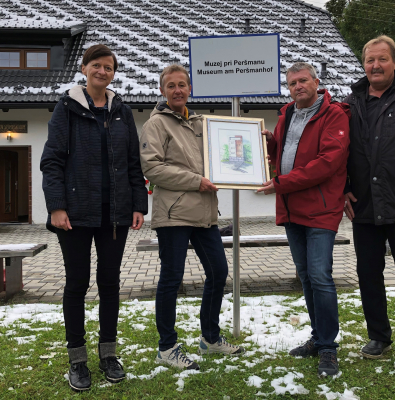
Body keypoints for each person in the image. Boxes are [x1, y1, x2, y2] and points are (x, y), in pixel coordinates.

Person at [40, 44, 148, 391]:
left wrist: (138, 204)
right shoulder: (66, 108)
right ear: (84, 69)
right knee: (76, 285)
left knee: (110, 284)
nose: (103, 71)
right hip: (74, 216)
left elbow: (134, 162)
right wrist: (56, 206)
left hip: (113, 217)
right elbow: (52, 161)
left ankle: (108, 355)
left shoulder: (122, 111)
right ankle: (77, 360)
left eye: (109, 67)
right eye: (97, 65)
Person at [140, 64, 245, 370]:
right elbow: (152, 168)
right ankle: (167, 347)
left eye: (182, 85)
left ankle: (210, 338)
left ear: (190, 89)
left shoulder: (200, 123)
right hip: (173, 214)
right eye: (171, 85)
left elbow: (222, 154)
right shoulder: (156, 125)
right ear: (162, 91)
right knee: (171, 279)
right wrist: (195, 181)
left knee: (218, 272)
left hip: (204, 212)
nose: (177, 90)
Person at [258, 62, 350, 376]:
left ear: (316, 81)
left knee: (321, 276)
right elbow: (284, 153)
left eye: (303, 80)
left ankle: (328, 349)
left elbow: (327, 163)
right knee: (307, 276)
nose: (298, 86)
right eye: (293, 82)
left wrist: (280, 184)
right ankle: (318, 338)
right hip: (292, 208)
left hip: (321, 210)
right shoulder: (287, 115)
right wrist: (268, 142)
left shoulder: (335, 115)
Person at [344, 35, 395, 359]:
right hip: (363, 203)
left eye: (382, 59)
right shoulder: (352, 102)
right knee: (368, 273)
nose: (375, 66)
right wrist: (344, 185)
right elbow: (341, 150)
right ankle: (379, 336)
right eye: (370, 60)